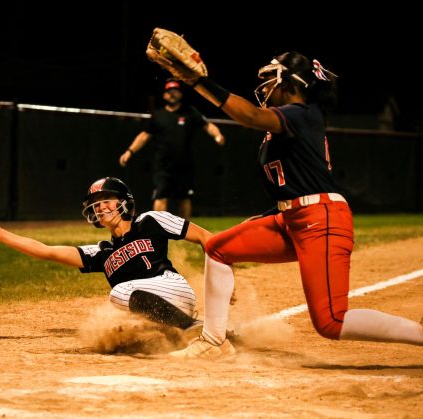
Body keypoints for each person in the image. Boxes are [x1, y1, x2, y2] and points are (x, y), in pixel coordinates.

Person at [160, 51, 423, 358]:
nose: (267, 85)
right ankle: (213, 342)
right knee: (219, 248)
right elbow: (296, 181)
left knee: (330, 321)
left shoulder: (302, 112)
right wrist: (266, 218)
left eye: (273, 78)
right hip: (294, 217)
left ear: (292, 82)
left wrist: (199, 82)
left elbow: (250, 117)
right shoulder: (291, 120)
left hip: (320, 218)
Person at [0, 176, 216, 338]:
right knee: (132, 326)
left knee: (118, 294)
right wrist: (2, 235)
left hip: (172, 287)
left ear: (124, 202)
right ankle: (204, 333)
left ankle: (192, 327)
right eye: (96, 203)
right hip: (160, 310)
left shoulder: (149, 221)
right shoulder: (101, 252)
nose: (100, 206)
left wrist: (223, 280)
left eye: (107, 199)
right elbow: (48, 251)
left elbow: (206, 238)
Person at [119, 80, 225, 220]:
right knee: (160, 197)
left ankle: (185, 231)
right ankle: (159, 230)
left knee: (184, 199)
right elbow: (144, 136)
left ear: (180, 94)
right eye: (169, 92)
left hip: (184, 166)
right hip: (163, 166)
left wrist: (217, 135)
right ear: (164, 96)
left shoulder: (190, 112)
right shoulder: (158, 115)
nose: (172, 94)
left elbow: (208, 125)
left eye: (175, 91)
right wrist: (129, 151)